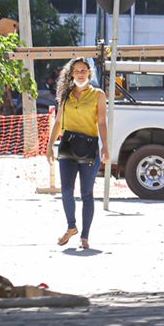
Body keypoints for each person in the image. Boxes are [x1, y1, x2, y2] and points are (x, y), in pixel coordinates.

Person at [45, 57, 108, 251]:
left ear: (89, 72)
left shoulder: (98, 94)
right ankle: (71, 226)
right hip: (68, 146)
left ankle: (85, 237)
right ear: (71, 74)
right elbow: (57, 122)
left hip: (89, 148)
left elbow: (102, 123)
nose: (80, 73)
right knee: (66, 191)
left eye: (83, 70)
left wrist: (105, 146)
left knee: (87, 194)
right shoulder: (65, 95)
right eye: (77, 70)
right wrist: (49, 146)